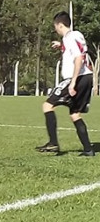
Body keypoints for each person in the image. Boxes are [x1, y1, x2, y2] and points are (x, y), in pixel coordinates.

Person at [36, 11, 95, 156]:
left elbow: (79, 57)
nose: (55, 29)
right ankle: (88, 149)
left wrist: (73, 82)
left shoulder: (70, 37)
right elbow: (78, 50)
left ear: (60, 25)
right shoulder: (76, 36)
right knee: (75, 113)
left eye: (56, 26)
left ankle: (53, 143)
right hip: (87, 77)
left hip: (77, 78)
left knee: (47, 105)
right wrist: (61, 46)